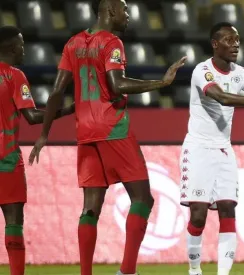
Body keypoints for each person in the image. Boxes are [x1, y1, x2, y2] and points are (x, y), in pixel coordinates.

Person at [28, 1, 186, 274]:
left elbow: (56, 92)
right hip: (113, 129)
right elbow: (117, 84)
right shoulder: (112, 42)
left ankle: (86, 272)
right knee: (143, 199)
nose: (128, 15)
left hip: (85, 132)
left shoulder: (73, 43)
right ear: (110, 9)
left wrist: (44, 134)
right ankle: (127, 271)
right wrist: (161, 83)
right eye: (124, 9)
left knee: (90, 208)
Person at [180, 22, 244, 275]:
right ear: (214, 43)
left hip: (223, 149)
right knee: (198, 215)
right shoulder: (202, 70)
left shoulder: (243, 74)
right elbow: (220, 96)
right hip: (198, 147)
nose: (235, 45)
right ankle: (194, 270)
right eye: (229, 40)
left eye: (237, 40)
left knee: (228, 208)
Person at [0, 26, 74, 275]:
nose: (24, 49)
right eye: (21, 44)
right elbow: (32, 117)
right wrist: (68, 110)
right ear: (11, 48)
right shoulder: (14, 76)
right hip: (7, 158)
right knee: (13, 220)